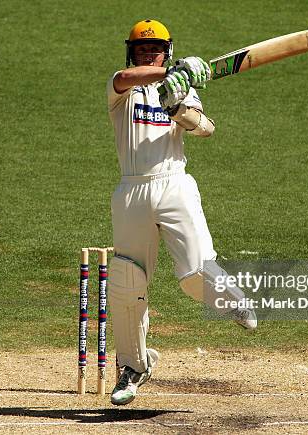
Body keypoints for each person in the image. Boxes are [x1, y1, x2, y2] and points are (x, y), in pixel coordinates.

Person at [106, 19, 257, 406]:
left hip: (175, 183)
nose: (148, 53)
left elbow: (204, 128)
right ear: (133, 52)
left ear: (167, 49)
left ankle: (233, 300)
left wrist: (177, 105)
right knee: (127, 283)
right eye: (142, 49)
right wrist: (170, 73)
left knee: (194, 273)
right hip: (131, 189)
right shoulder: (122, 88)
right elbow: (126, 76)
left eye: (155, 49)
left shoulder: (183, 85)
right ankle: (133, 366)